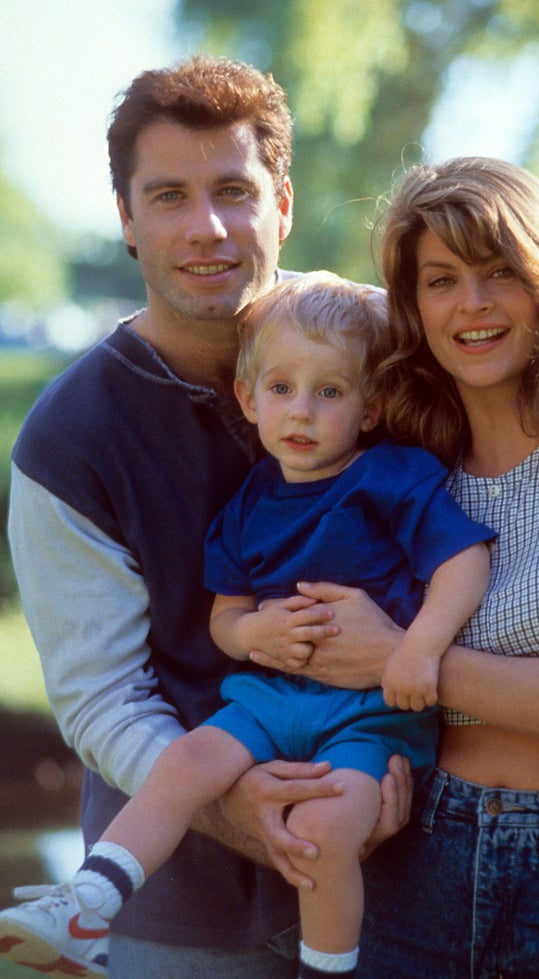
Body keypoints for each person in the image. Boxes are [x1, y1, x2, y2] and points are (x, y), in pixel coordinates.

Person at [2, 51, 539, 978]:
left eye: (233, 189)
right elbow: (103, 695)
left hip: (430, 852)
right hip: (201, 900)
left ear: (283, 205)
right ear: (127, 221)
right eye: (169, 196)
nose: (208, 227)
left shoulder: (387, 351)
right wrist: (241, 795)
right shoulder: (72, 435)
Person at [254, 157, 539, 977]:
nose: (471, 304)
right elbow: (288, 326)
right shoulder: (398, 459)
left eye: (500, 271)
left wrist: (400, 658)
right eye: (441, 279)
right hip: (416, 850)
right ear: (414, 306)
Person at [0, 272, 494, 979]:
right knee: (185, 761)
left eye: (330, 391)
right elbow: (225, 613)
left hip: (370, 716)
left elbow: (464, 562)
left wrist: (418, 650)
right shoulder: (252, 499)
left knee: (323, 835)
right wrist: (251, 634)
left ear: (370, 406)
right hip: (271, 699)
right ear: (248, 397)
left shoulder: (392, 474)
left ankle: (328, 968)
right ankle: (87, 902)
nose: (302, 410)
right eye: (283, 388)